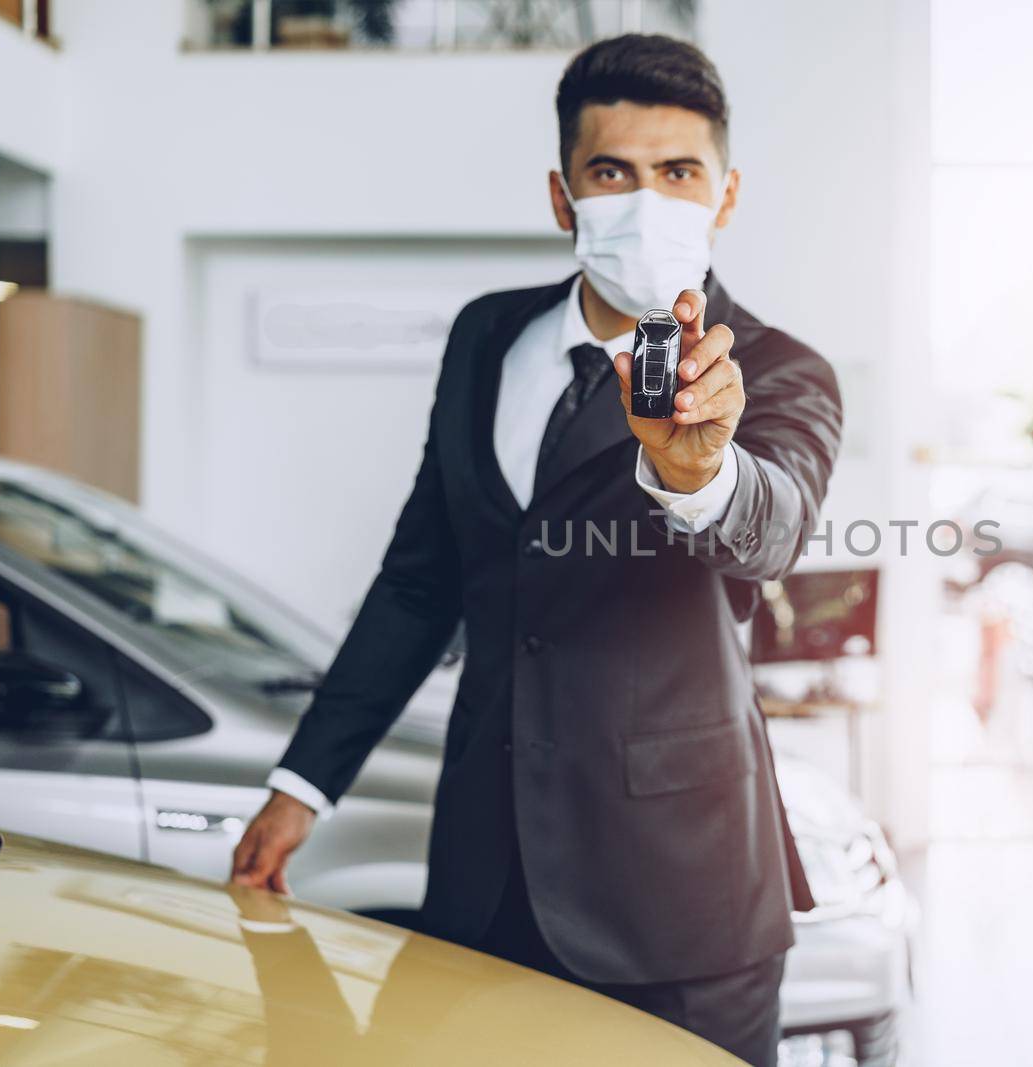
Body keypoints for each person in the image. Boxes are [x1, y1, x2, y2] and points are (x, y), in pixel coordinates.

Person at [229, 33, 842, 1066]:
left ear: (723, 197)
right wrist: (303, 784)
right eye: (613, 172)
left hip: (680, 900)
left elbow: (772, 531)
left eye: (678, 172)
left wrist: (700, 472)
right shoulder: (485, 339)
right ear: (563, 197)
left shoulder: (779, 368)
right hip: (484, 867)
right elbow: (420, 580)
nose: (647, 200)